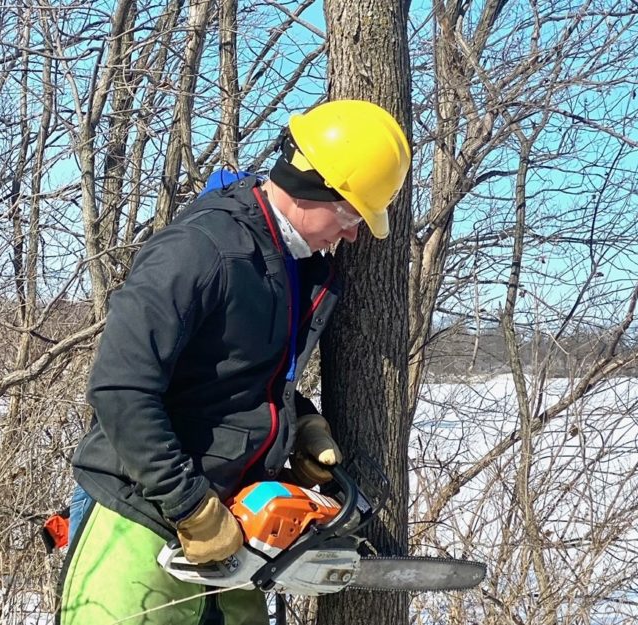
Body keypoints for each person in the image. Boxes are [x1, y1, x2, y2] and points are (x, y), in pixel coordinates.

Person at [58, 100, 411, 625]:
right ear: (316, 187)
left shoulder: (294, 266)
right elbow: (121, 389)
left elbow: (239, 375)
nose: (355, 234)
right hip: (140, 516)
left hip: (234, 534)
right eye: (352, 214)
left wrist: (301, 423)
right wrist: (189, 505)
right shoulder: (200, 250)